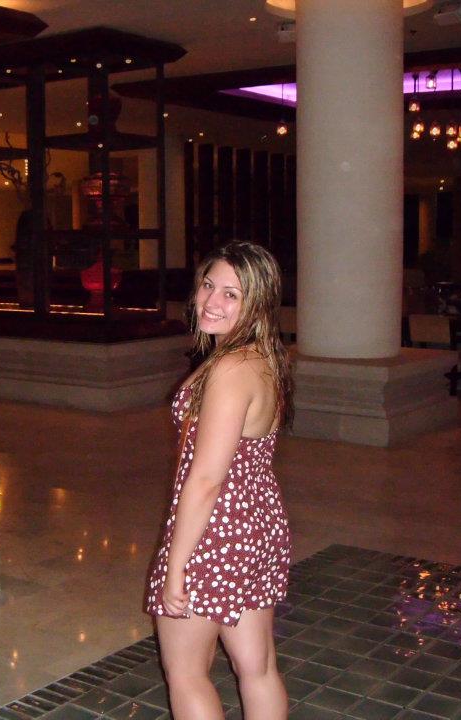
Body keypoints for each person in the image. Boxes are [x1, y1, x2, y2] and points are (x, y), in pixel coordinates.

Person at [145, 241, 293, 720]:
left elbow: (207, 478)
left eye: (232, 294)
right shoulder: (263, 358)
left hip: (217, 530)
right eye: (209, 285)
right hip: (257, 522)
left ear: (258, 303)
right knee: (258, 667)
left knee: (187, 674)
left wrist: (176, 567)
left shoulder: (230, 368)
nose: (212, 301)